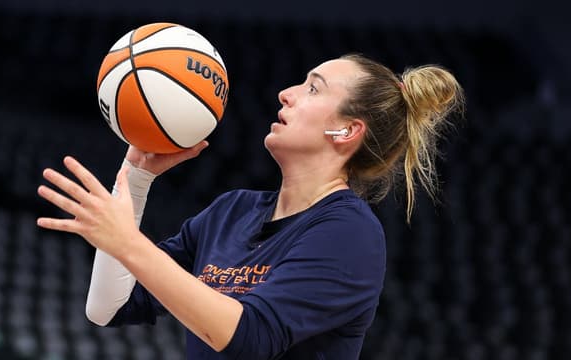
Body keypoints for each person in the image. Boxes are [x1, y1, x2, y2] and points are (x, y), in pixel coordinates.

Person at [36, 53, 464, 359]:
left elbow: (252, 337)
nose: (286, 93)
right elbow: (108, 308)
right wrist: (137, 179)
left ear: (346, 131)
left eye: (312, 87)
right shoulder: (232, 211)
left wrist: (129, 243)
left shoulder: (350, 234)